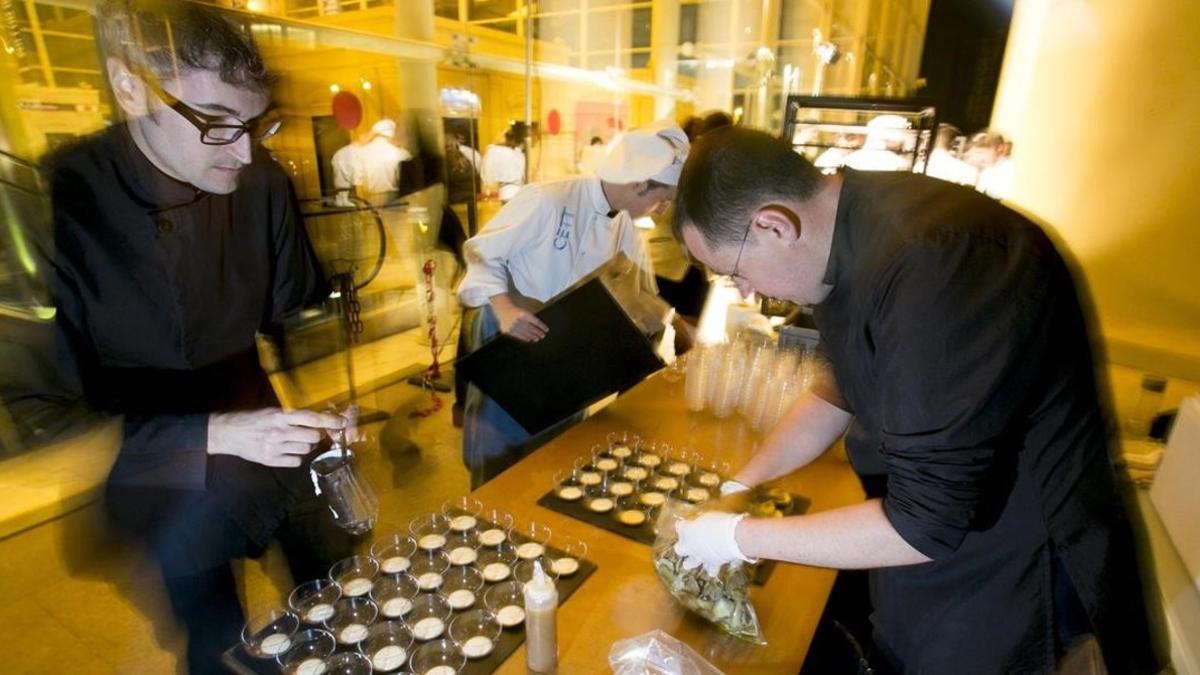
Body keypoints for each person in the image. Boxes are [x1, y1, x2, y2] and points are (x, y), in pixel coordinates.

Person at [670, 127, 1160, 675]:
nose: (742, 291)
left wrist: (740, 537)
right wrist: (742, 484)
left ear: (772, 225)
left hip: (1016, 566)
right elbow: (838, 393)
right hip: (930, 540)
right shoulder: (846, 237)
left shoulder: (937, 260)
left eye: (732, 271)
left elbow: (925, 523)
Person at [44, 2, 354, 672]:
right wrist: (211, 432)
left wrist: (332, 406)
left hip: (264, 416)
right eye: (216, 124)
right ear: (129, 87)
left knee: (339, 588)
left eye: (255, 124)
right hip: (157, 452)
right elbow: (44, 409)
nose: (244, 151)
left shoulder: (262, 178)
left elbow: (290, 313)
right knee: (215, 638)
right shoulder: (61, 195)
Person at [456, 121, 689, 488]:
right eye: (661, 199)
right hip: (516, 340)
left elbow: (639, 290)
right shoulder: (547, 199)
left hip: (569, 348)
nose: (660, 210)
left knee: (555, 454)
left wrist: (672, 323)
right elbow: (481, 254)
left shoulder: (624, 226)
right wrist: (504, 309)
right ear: (638, 183)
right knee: (499, 462)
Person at [482, 127, 526, 202]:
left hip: (507, 191)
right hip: (516, 189)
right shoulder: (518, 154)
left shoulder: (494, 151)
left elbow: (487, 174)